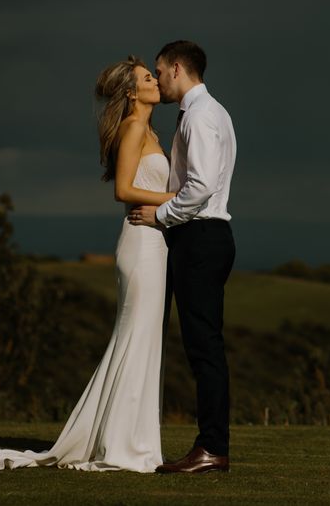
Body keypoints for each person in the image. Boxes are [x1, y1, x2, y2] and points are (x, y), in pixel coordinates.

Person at [0, 56, 175, 472]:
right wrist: (177, 200)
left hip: (156, 243)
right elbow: (123, 190)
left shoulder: (149, 129)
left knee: (142, 340)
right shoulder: (134, 127)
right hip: (141, 244)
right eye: (147, 77)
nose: (156, 80)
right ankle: (124, 445)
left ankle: (130, 440)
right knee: (135, 338)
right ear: (132, 92)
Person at [128, 40, 236, 474]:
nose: (159, 79)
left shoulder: (203, 116)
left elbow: (202, 185)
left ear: (176, 68)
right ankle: (211, 445)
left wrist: (162, 215)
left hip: (201, 237)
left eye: (159, 70)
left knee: (204, 348)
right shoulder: (209, 112)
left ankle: (211, 448)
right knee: (202, 346)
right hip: (204, 237)